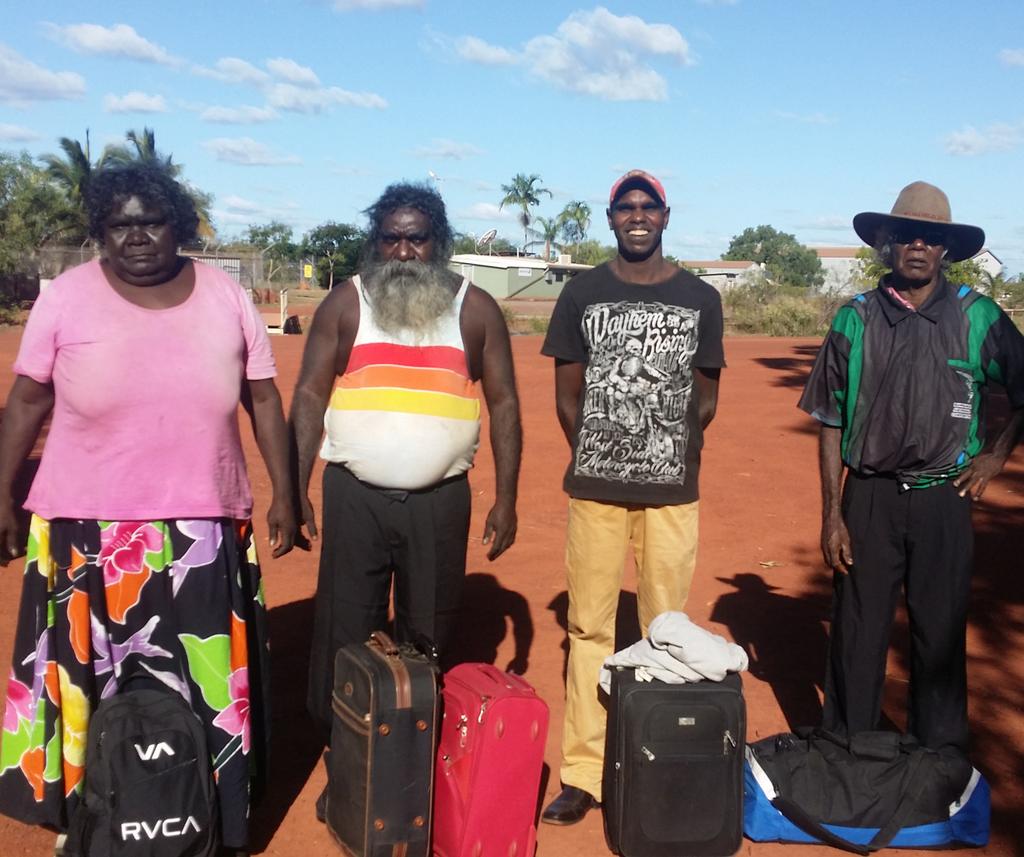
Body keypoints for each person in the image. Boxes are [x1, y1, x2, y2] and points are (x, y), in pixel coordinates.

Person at [0, 162, 295, 854]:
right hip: (85, 528)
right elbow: (27, 400)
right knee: (87, 680)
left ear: (179, 225)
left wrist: (288, 490)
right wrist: (3, 493)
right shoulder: (67, 298)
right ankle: (88, 811)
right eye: (120, 223)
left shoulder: (226, 295)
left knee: (204, 680)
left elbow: (266, 399)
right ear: (101, 229)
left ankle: (205, 808)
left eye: (151, 221)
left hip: (202, 523)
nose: (137, 236)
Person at [290, 181, 521, 744]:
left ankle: (411, 755)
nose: (403, 253)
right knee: (348, 628)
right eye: (391, 239)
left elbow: (505, 403)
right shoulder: (347, 302)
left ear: (437, 241)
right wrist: (295, 490)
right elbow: (309, 396)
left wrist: (508, 499)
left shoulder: (476, 309)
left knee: (429, 628)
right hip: (355, 497)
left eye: (416, 240)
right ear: (377, 241)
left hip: (439, 502)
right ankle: (347, 759)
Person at [799, 181, 1024, 751]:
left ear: (946, 249)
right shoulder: (855, 318)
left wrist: (996, 456)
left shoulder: (978, 316)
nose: (918, 246)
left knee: (940, 630)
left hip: (945, 497)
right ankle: (850, 747)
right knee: (858, 628)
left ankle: (938, 756)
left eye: (932, 238)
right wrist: (832, 514)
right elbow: (828, 419)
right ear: (887, 243)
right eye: (906, 235)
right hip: (868, 497)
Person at [540, 170, 725, 824]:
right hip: (595, 487)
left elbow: (706, 395)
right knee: (588, 624)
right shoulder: (583, 293)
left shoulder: (700, 296)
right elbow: (567, 393)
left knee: (664, 624)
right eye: (628, 208)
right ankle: (584, 771)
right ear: (611, 217)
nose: (639, 216)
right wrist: (602, 446)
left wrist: (664, 444)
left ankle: (655, 755)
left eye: (649, 207)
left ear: (666, 216)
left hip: (673, 489)